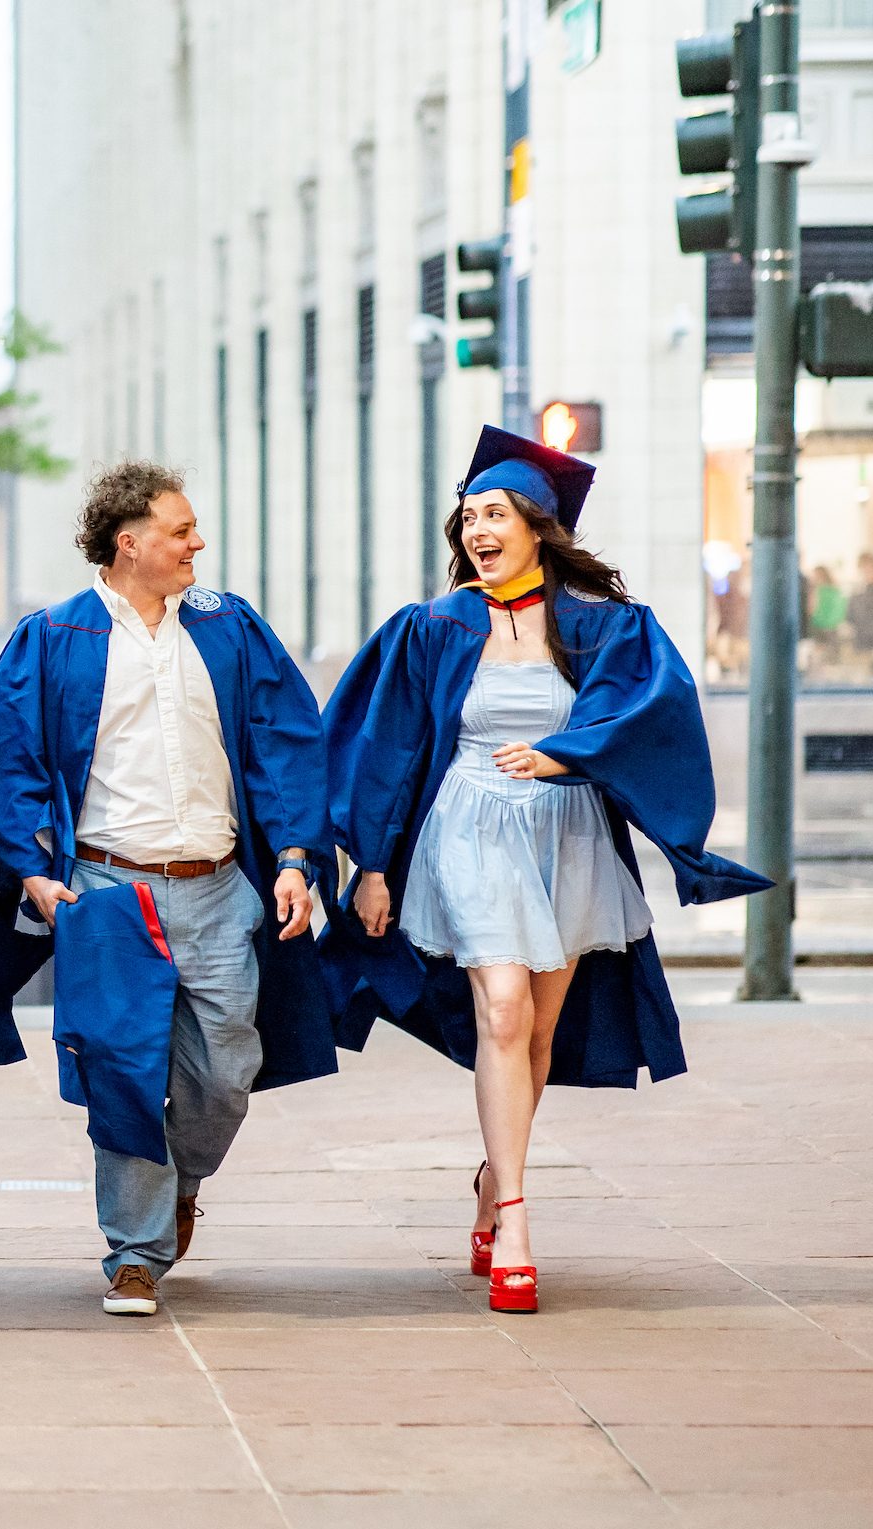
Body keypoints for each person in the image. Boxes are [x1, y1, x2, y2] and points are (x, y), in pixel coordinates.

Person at [323, 427, 771, 1315]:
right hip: (471, 826)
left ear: (538, 526)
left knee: (537, 1032)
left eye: (494, 514)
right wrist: (371, 864)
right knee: (501, 1005)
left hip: (565, 833)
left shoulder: (601, 626)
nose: (476, 529)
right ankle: (521, 1222)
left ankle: (495, 1176)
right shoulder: (432, 628)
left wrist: (565, 755)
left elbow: (650, 714)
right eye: (467, 518)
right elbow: (383, 745)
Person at [0, 461, 334, 1318]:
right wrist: (35, 870)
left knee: (227, 1068)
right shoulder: (53, 638)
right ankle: (134, 1250)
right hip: (108, 890)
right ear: (130, 544)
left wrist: (296, 858)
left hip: (217, 886)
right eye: (180, 530)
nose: (197, 543)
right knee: (124, 1070)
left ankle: (178, 1186)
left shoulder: (228, 628)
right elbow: (9, 759)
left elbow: (285, 742)